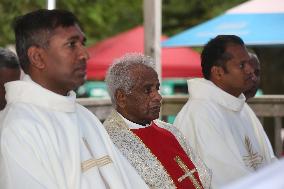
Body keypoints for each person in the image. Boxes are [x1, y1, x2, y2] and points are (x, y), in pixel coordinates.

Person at [0, 9, 148, 189]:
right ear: (37, 57)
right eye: (71, 44)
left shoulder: (84, 116)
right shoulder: (19, 127)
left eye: (82, 43)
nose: (85, 54)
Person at [173, 35, 276, 188]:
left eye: (248, 62)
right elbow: (224, 179)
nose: (250, 70)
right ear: (218, 72)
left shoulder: (242, 108)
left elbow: (269, 162)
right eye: (242, 65)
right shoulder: (200, 114)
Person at [103, 53, 211, 189]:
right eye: (147, 90)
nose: (158, 97)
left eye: (157, 88)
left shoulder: (170, 131)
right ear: (121, 97)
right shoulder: (108, 142)